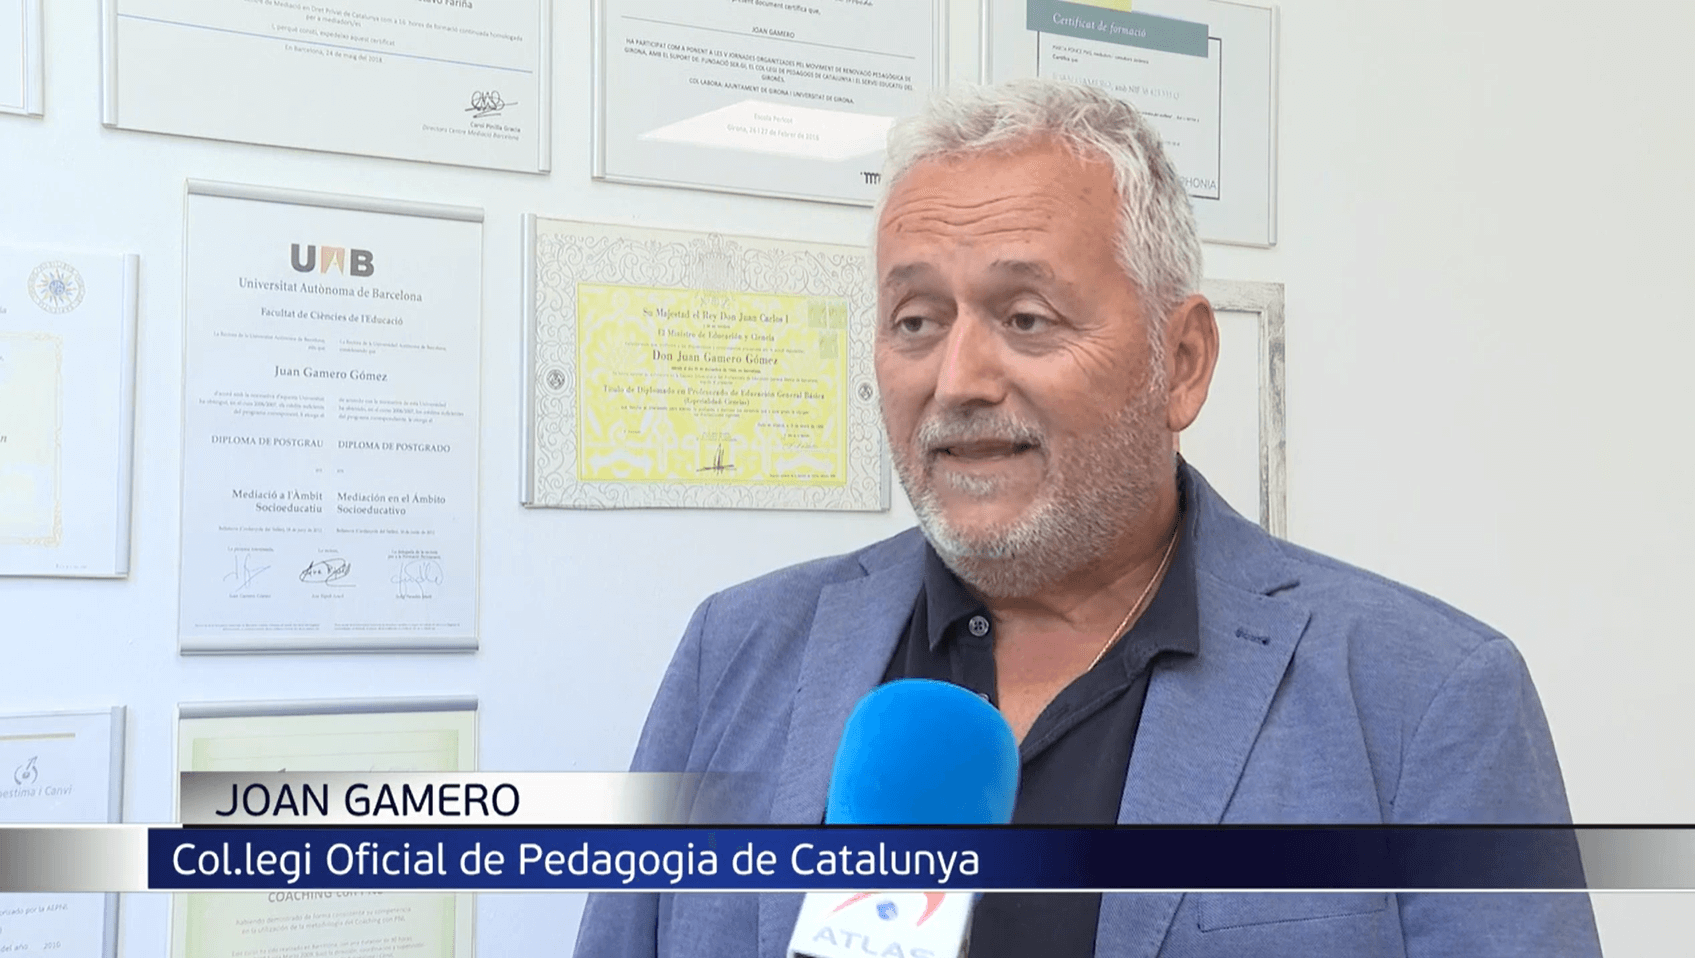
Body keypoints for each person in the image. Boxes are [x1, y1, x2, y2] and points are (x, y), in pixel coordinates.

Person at [572, 79, 1602, 958]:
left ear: (1181, 362)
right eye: (916, 321)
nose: (957, 379)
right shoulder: (736, 652)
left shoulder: (1426, 697)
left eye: (1026, 318)